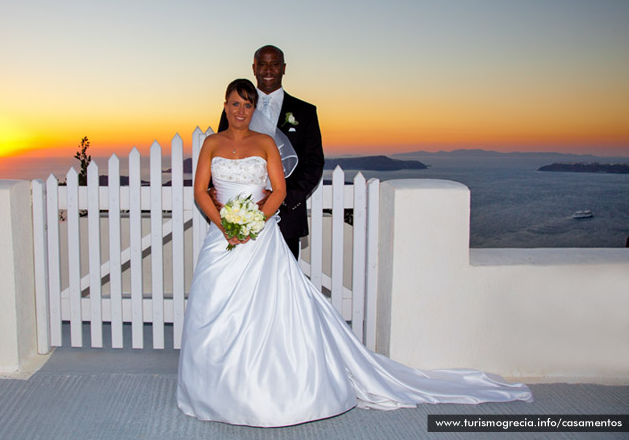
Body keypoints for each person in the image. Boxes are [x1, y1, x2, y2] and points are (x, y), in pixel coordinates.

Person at [176, 79, 533, 428]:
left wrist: (253, 223)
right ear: (225, 106)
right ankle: (217, 390)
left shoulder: (266, 142)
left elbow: (280, 191)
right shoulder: (211, 143)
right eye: (235, 104)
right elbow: (201, 191)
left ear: (254, 109)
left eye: (247, 104)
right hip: (222, 236)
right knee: (213, 306)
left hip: (259, 235)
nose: (240, 111)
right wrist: (225, 226)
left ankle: (267, 387)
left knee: (266, 310)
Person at [217, 45, 323, 259]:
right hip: (239, 214)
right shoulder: (234, 108)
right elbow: (221, 155)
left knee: (281, 284)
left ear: (284, 68)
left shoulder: (305, 112)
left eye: (274, 64)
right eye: (262, 64)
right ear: (254, 68)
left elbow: (313, 163)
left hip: (287, 216)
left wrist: (280, 199)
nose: (268, 69)